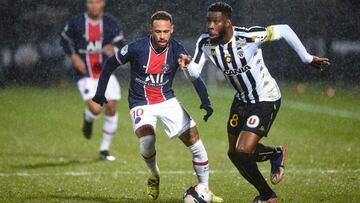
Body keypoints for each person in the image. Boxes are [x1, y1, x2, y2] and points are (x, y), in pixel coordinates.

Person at [183, 2, 330, 203]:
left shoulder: (247, 37)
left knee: (244, 150)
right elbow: (194, 72)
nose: (210, 26)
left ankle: (275, 154)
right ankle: (267, 195)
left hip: (265, 98)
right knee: (235, 154)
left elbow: (284, 29)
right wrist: (186, 67)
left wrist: (306, 58)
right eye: (209, 21)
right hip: (241, 100)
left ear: (227, 22)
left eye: (216, 21)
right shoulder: (205, 43)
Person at [92, 11, 223, 202]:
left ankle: (205, 189)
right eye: (158, 31)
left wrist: (206, 101)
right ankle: (153, 174)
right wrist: (100, 92)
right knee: (147, 140)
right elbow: (111, 64)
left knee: (195, 141)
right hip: (140, 102)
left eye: (166, 31)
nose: (162, 36)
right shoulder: (137, 48)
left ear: (172, 30)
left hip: (167, 100)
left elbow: (193, 76)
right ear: (151, 30)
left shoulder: (177, 50)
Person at [60, 0, 126, 161]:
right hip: (85, 74)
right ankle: (88, 118)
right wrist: (74, 56)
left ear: (103, 4)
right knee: (96, 109)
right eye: (91, 2)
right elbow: (64, 40)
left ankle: (104, 149)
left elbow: (122, 45)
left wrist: (114, 50)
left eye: (97, 2)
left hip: (105, 72)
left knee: (110, 107)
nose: (94, 6)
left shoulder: (110, 23)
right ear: (86, 4)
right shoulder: (76, 23)